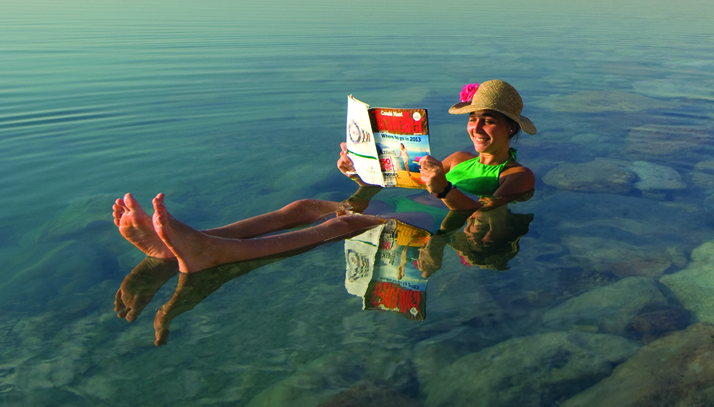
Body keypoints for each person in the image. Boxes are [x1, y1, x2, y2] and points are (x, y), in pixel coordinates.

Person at [111, 80, 537, 275]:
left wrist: (442, 188)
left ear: (511, 128)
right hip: (408, 203)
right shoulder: (458, 156)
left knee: (345, 223)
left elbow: (479, 210)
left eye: (489, 122)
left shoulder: (517, 176)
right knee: (306, 206)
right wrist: (362, 174)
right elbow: (402, 180)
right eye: (474, 119)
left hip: (431, 225)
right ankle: (189, 241)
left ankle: (214, 253)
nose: (477, 128)